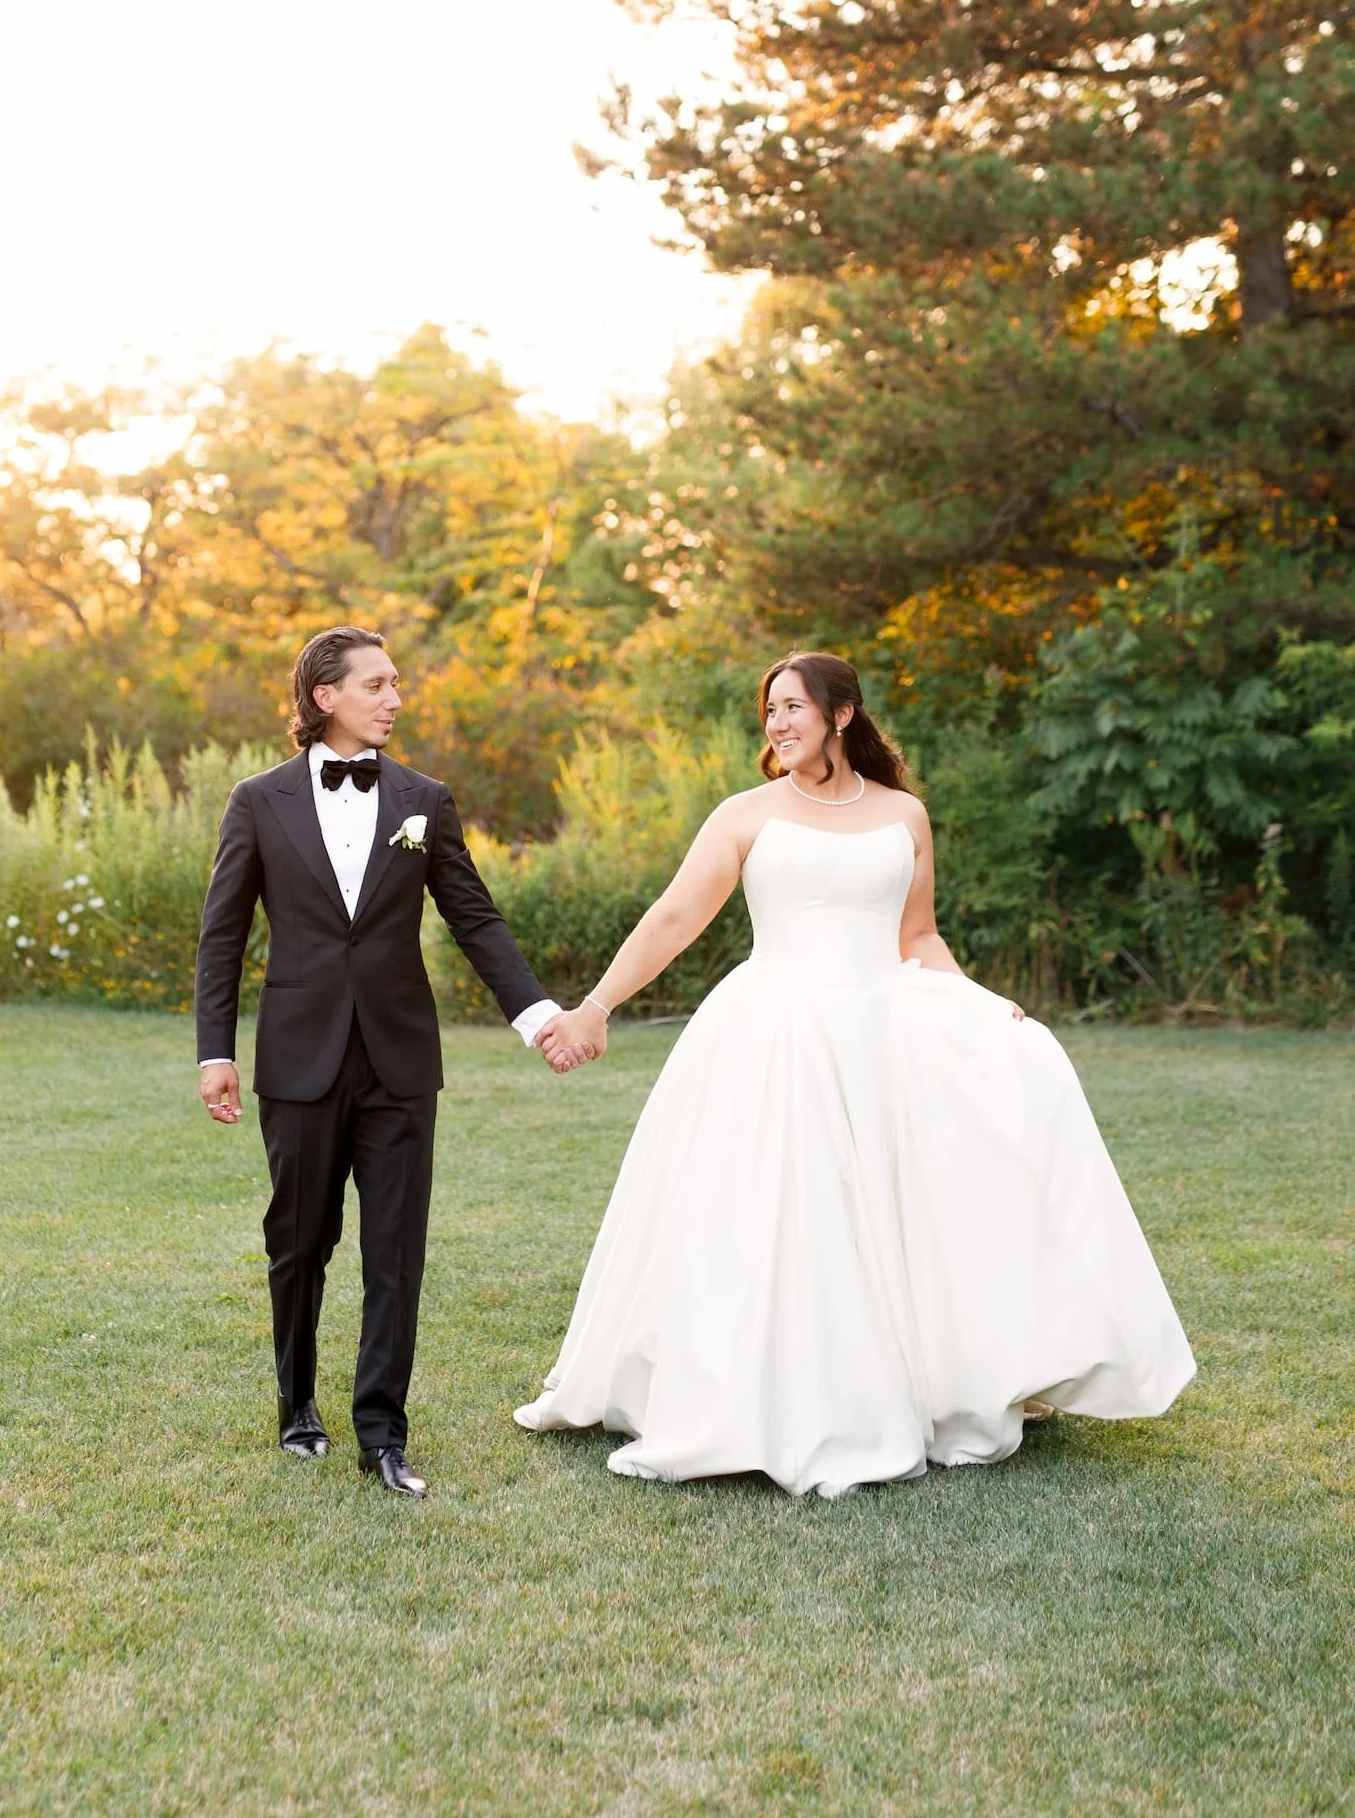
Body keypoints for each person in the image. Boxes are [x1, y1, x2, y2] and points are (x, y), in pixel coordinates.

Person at [519, 651, 1196, 1495]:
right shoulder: (743, 815)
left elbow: (918, 937)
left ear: (841, 716)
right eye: (769, 711)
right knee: (781, 1212)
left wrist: (981, 1005)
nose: (777, 724)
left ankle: (919, 1381)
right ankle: (753, 1394)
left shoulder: (904, 815)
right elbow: (674, 917)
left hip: (883, 1031)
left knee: (903, 1209)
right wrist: (595, 1007)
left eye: (794, 708)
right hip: (774, 1032)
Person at [196, 625, 562, 1497]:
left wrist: (538, 1015)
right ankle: (297, 1405)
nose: (394, 698)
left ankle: (382, 1435)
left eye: (396, 685)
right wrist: (215, 1053)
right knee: (299, 1240)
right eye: (377, 685)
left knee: (395, 1250)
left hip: (401, 1062)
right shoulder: (258, 800)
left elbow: (473, 918)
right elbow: (221, 937)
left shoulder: (425, 800)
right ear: (325, 697)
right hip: (299, 1056)